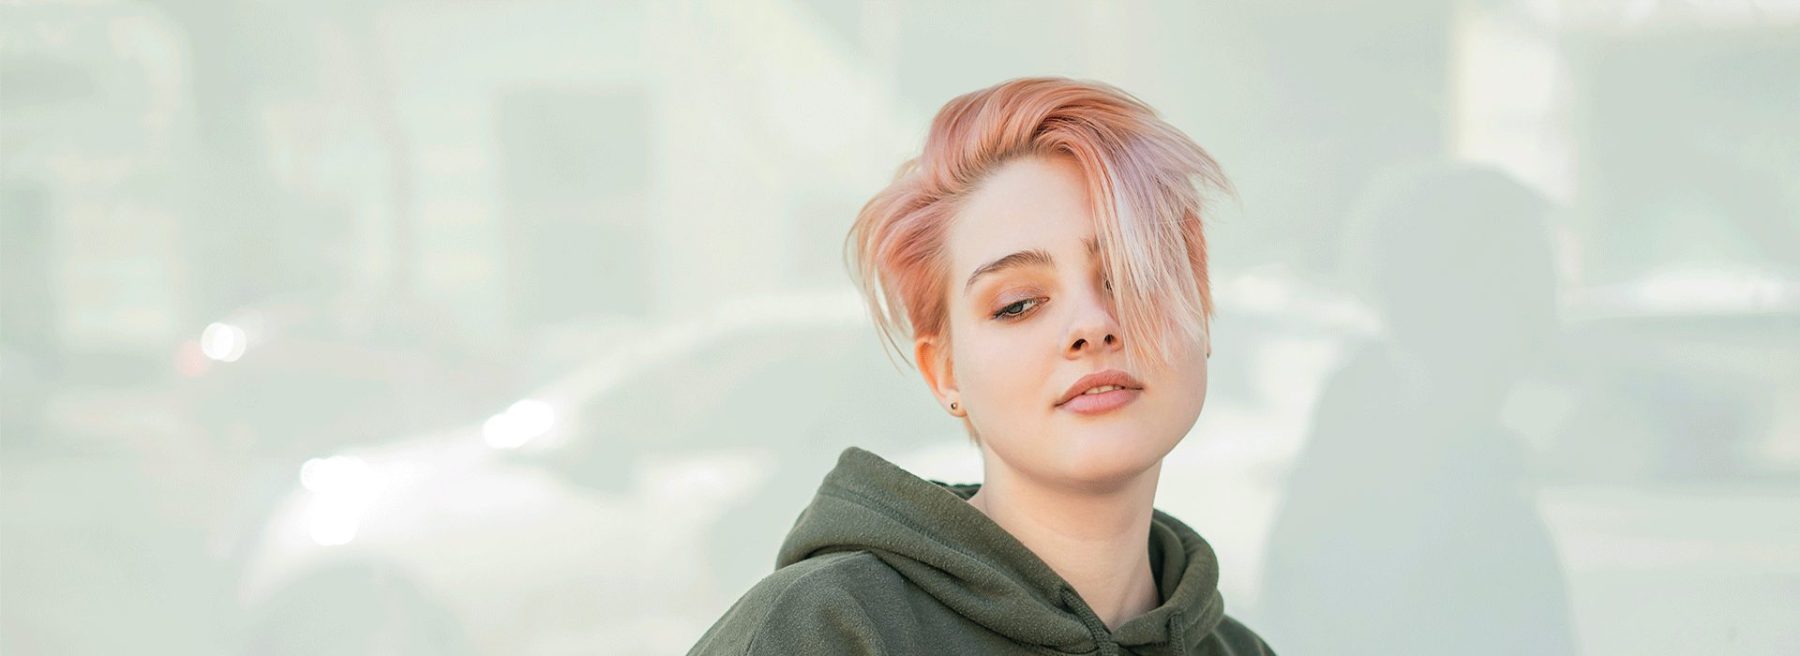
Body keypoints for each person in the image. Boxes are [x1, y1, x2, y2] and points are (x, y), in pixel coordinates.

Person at [687, 77, 1274, 656]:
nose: (1092, 325)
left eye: (1133, 276)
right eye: (1017, 304)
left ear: (1200, 309)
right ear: (943, 372)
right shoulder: (824, 631)